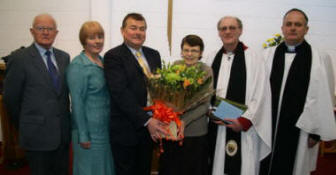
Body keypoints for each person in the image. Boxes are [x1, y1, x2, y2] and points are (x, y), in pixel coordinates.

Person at [259, 8, 336, 175]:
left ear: (306, 29)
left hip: (301, 128)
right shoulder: (267, 55)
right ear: (282, 28)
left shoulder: (320, 58)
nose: (293, 28)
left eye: (298, 24)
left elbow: (327, 96)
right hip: (267, 126)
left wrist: (316, 132)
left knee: (295, 167)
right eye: (289, 24)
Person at [3, 13, 70, 175]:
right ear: (32, 31)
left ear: (56, 33)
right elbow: (11, 99)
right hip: (36, 136)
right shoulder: (19, 59)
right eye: (41, 28)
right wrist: (27, 123)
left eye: (50, 29)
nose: (45, 32)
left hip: (62, 135)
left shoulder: (64, 57)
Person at [103, 13, 169, 175]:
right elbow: (120, 94)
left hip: (150, 132)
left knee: (145, 170)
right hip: (126, 131)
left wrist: (161, 117)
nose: (138, 32)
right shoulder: (113, 56)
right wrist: (147, 121)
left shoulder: (154, 55)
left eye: (142, 29)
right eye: (133, 28)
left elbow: (158, 91)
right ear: (123, 31)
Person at [205, 16, 272, 175]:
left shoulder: (254, 58)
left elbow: (261, 94)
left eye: (232, 28)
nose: (227, 31)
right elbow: (204, 91)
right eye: (223, 28)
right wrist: (208, 110)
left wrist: (243, 121)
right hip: (216, 125)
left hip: (242, 128)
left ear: (240, 30)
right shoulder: (212, 57)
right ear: (219, 33)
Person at [158, 34, 213, 175]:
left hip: (196, 132)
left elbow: (205, 105)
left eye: (194, 51)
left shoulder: (205, 71)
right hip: (173, 131)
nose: (189, 54)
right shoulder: (175, 67)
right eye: (186, 50)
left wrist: (184, 121)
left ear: (200, 53)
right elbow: (165, 97)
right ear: (181, 51)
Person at [66, 21, 116, 175]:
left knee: (104, 169)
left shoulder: (102, 61)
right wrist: (83, 134)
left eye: (100, 37)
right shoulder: (78, 65)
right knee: (89, 170)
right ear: (84, 40)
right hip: (88, 132)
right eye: (92, 38)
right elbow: (77, 102)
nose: (97, 41)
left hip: (104, 129)